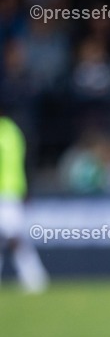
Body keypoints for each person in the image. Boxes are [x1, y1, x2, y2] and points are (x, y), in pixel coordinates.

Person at [0, 106, 49, 293]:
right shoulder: (13, 130)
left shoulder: (4, 131)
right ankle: (33, 276)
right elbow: (26, 160)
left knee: (14, 235)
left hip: (6, 191)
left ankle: (34, 276)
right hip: (14, 188)